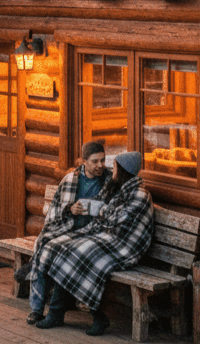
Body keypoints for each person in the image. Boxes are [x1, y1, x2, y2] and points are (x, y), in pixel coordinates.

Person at [28, 150, 154, 336]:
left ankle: (97, 316)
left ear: (124, 169)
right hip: (108, 238)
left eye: (115, 166)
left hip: (125, 247)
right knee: (63, 249)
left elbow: (118, 219)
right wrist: (82, 207)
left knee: (77, 255)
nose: (112, 169)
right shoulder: (119, 186)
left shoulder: (139, 194)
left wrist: (100, 210)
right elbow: (100, 203)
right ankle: (56, 312)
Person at [21, 140, 111, 327]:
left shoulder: (109, 181)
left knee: (55, 252)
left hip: (92, 233)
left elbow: (114, 211)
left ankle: (56, 310)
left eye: (103, 160)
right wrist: (71, 208)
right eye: (95, 161)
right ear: (84, 161)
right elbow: (56, 209)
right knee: (44, 246)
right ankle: (37, 309)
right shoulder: (71, 180)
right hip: (68, 228)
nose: (100, 165)